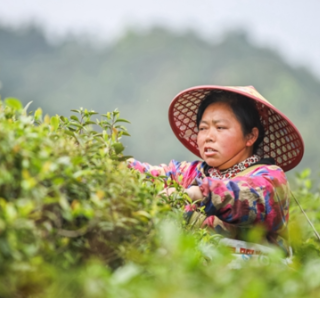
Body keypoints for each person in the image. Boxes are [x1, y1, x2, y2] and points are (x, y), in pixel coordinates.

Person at [128, 86, 304, 254]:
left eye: (220, 128)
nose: (208, 137)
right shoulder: (190, 173)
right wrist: (117, 162)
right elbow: (149, 175)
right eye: (203, 128)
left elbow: (247, 196)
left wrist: (198, 193)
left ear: (251, 136)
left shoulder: (270, 178)